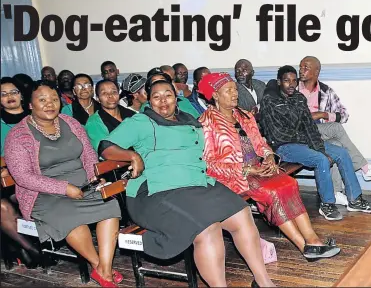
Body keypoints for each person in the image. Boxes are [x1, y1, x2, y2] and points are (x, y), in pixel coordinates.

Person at [99, 79, 275, 287]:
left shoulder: (187, 118)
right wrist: (131, 156)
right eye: (156, 96)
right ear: (148, 99)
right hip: (156, 192)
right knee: (207, 226)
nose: (163, 101)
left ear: (176, 97)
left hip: (195, 184)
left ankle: (264, 282)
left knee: (241, 213)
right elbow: (105, 147)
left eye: (168, 95)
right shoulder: (141, 122)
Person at [198, 73, 341, 260]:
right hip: (234, 176)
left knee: (289, 184)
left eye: (235, 89)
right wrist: (247, 169)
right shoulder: (206, 123)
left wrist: (268, 157)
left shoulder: (244, 115)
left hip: (258, 168)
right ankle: (303, 245)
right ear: (215, 95)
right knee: (272, 192)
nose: (235, 94)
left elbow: (260, 143)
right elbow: (209, 163)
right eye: (228, 90)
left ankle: (313, 240)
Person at [4, 82, 122, 287]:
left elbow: (88, 156)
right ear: (30, 104)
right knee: (69, 215)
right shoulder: (18, 135)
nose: (50, 104)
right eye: (42, 100)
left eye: (54, 99)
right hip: (42, 194)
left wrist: (93, 177)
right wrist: (63, 188)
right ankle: (100, 267)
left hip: (83, 186)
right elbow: (23, 177)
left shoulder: (71, 123)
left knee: (110, 206)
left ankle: (104, 268)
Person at [259, 65, 371, 221]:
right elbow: (278, 135)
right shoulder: (270, 101)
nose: (291, 84)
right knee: (320, 159)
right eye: (286, 81)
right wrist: (315, 148)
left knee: (341, 153)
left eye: (294, 81)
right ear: (278, 82)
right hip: (283, 148)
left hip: (304, 143)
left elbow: (309, 127)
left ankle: (355, 199)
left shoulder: (299, 99)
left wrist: (318, 146)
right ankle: (327, 204)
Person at [297, 56, 371, 205]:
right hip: (300, 132)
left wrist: (323, 114)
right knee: (336, 127)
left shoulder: (326, 92)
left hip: (319, 133)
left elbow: (344, 115)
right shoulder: (292, 88)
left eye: (306, 67)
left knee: (336, 145)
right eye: (300, 67)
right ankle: (365, 168)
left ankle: (335, 192)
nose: (301, 70)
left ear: (316, 72)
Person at [1, 77, 40, 268]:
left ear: (21, 95)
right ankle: (29, 248)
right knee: (3, 207)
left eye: (13, 92)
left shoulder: (36, 117)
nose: (9, 96)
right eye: (3, 93)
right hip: (8, 180)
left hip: (39, 175)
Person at [85, 79, 136, 151]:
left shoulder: (132, 115)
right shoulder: (94, 122)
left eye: (114, 92)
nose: (110, 96)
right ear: (97, 98)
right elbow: (105, 150)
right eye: (104, 93)